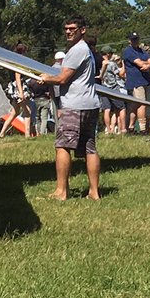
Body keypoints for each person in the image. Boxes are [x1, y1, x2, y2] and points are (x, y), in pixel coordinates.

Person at [36, 17, 102, 200]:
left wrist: (46, 78)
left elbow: (63, 78)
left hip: (74, 106)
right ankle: (94, 193)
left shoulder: (76, 50)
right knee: (90, 148)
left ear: (83, 30)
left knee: (62, 146)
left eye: (72, 28)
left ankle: (61, 192)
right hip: (90, 104)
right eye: (66, 28)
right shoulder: (85, 50)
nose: (68, 31)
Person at [122, 33, 150, 135]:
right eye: (133, 39)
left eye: (136, 39)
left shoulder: (141, 50)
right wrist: (146, 64)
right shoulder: (128, 51)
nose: (135, 41)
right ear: (129, 40)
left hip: (145, 80)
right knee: (142, 104)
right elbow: (140, 63)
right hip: (135, 81)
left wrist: (147, 64)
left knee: (135, 105)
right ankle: (142, 129)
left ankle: (131, 127)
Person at [0, 43, 32, 137]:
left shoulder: (12, 60)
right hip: (18, 87)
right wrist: (21, 92)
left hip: (14, 87)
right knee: (27, 112)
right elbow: (17, 77)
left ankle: (2, 133)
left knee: (15, 112)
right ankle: (27, 135)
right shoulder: (19, 62)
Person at [98, 51, 128, 135]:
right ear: (108, 54)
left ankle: (108, 130)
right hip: (113, 88)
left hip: (103, 88)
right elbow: (120, 74)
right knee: (121, 108)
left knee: (106, 110)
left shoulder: (99, 63)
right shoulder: (111, 64)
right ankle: (123, 129)